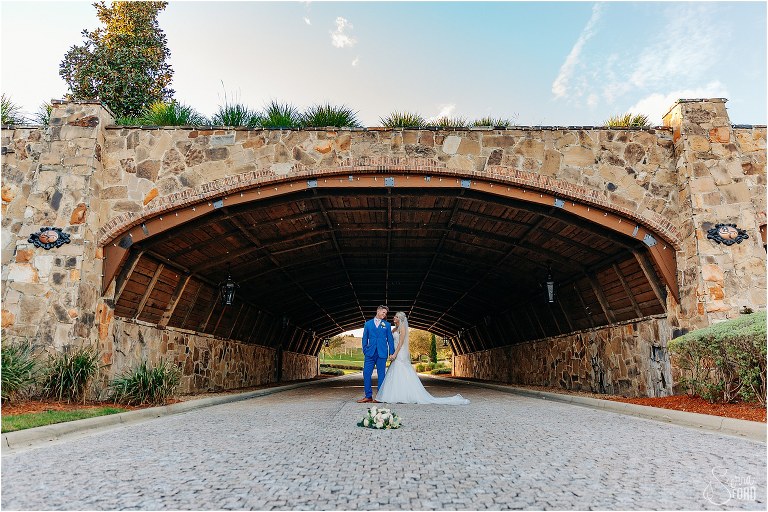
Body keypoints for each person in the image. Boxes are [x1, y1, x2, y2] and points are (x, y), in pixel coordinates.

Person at [376, 312, 469, 405]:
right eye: (395, 316)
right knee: (395, 372)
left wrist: (395, 354)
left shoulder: (403, 329)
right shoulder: (394, 329)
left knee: (401, 371)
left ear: (400, 319)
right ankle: (395, 394)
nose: (394, 318)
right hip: (395, 352)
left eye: (396, 317)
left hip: (400, 353)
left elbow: (400, 343)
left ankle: (405, 395)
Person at [356, 305, 395, 403]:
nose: (384, 314)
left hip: (382, 353)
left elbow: (390, 340)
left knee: (381, 374)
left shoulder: (387, 325)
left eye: (386, 313)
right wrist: (365, 350)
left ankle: (379, 397)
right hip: (370, 353)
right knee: (366, 373)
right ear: (378, 311)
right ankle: (368, 396)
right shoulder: (368, 324)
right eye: (383, 312)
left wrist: (391, 353)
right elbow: (364, 338)